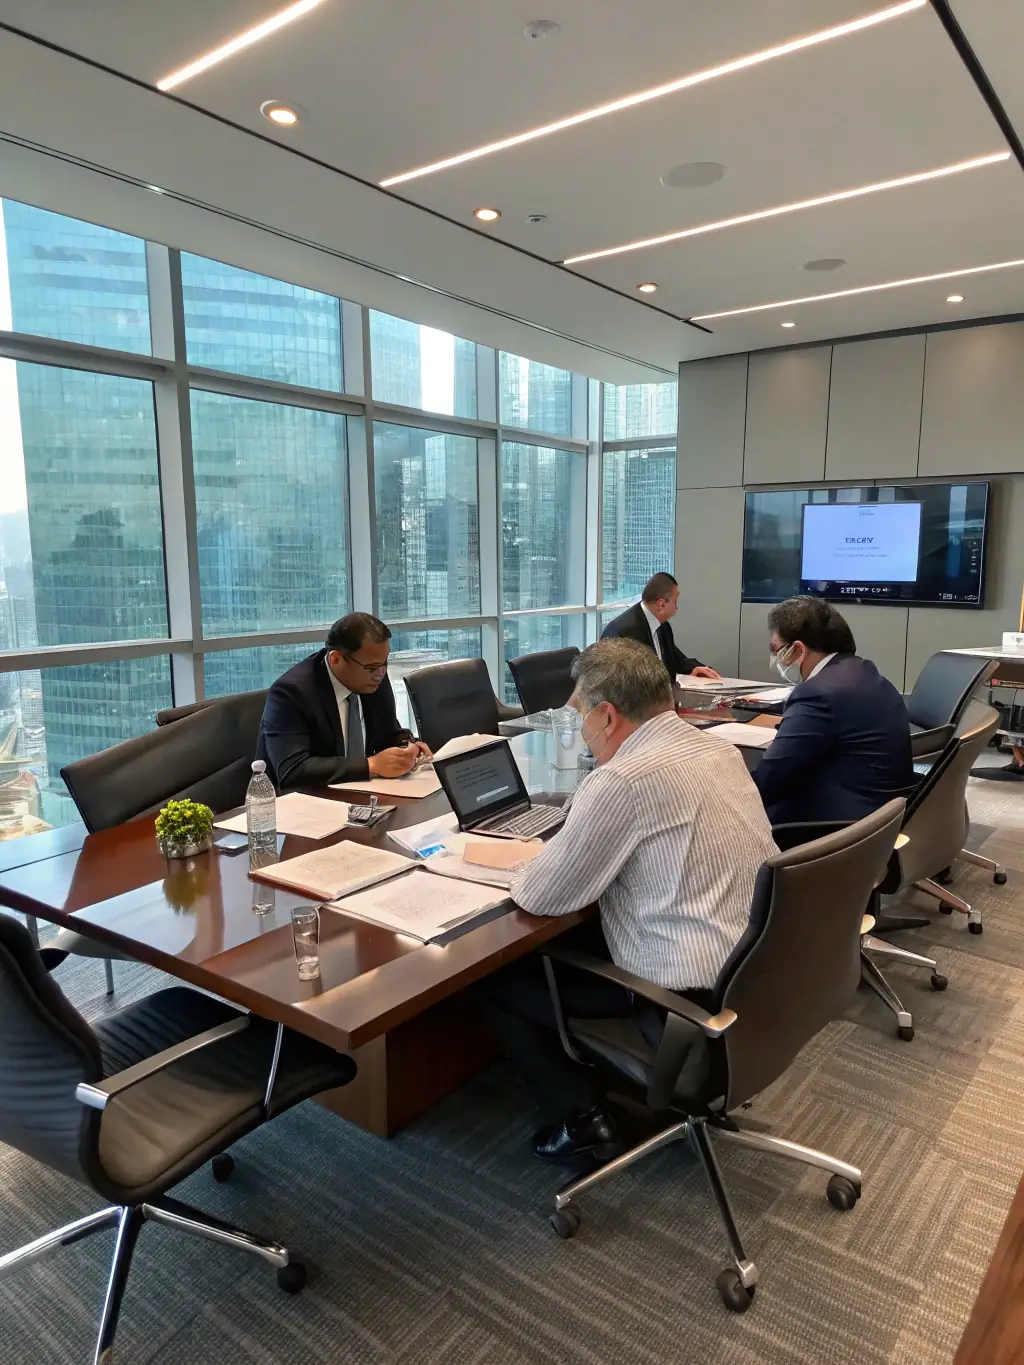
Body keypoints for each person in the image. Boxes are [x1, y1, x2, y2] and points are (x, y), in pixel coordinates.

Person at [481, 638, 778, 1163]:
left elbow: (543, 894)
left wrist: (515, 858)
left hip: (682, 1000)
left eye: (580, 715)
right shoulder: (718, 750)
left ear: (607, 715)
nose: (581, 729)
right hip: (756, 977)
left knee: (495, 973)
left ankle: (581, 1119)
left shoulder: (622, 780)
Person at [751, 596, 915, 825]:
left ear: (798, 649)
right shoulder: (864, 671)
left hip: (838, 830)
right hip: (882, 816)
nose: (776, 658)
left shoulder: (817, 693)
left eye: (776, 649)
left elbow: (770, 783)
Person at [256, 613, 430, 790]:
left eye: (384, 663)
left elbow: (388, 731)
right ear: (336, 659)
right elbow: (292, 769)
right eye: (372, 668)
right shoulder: (291, 693)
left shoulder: (374, 676)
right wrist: (369, 765)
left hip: (364, 795)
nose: (380, 674)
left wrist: (408, 746)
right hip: (307, 801)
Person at [601, 571, 721, 680]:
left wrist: (697, 668)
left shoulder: (662, 626)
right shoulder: (624, 632)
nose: (677, 607)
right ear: (661, 605)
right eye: (675, 601)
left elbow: (677, 660)